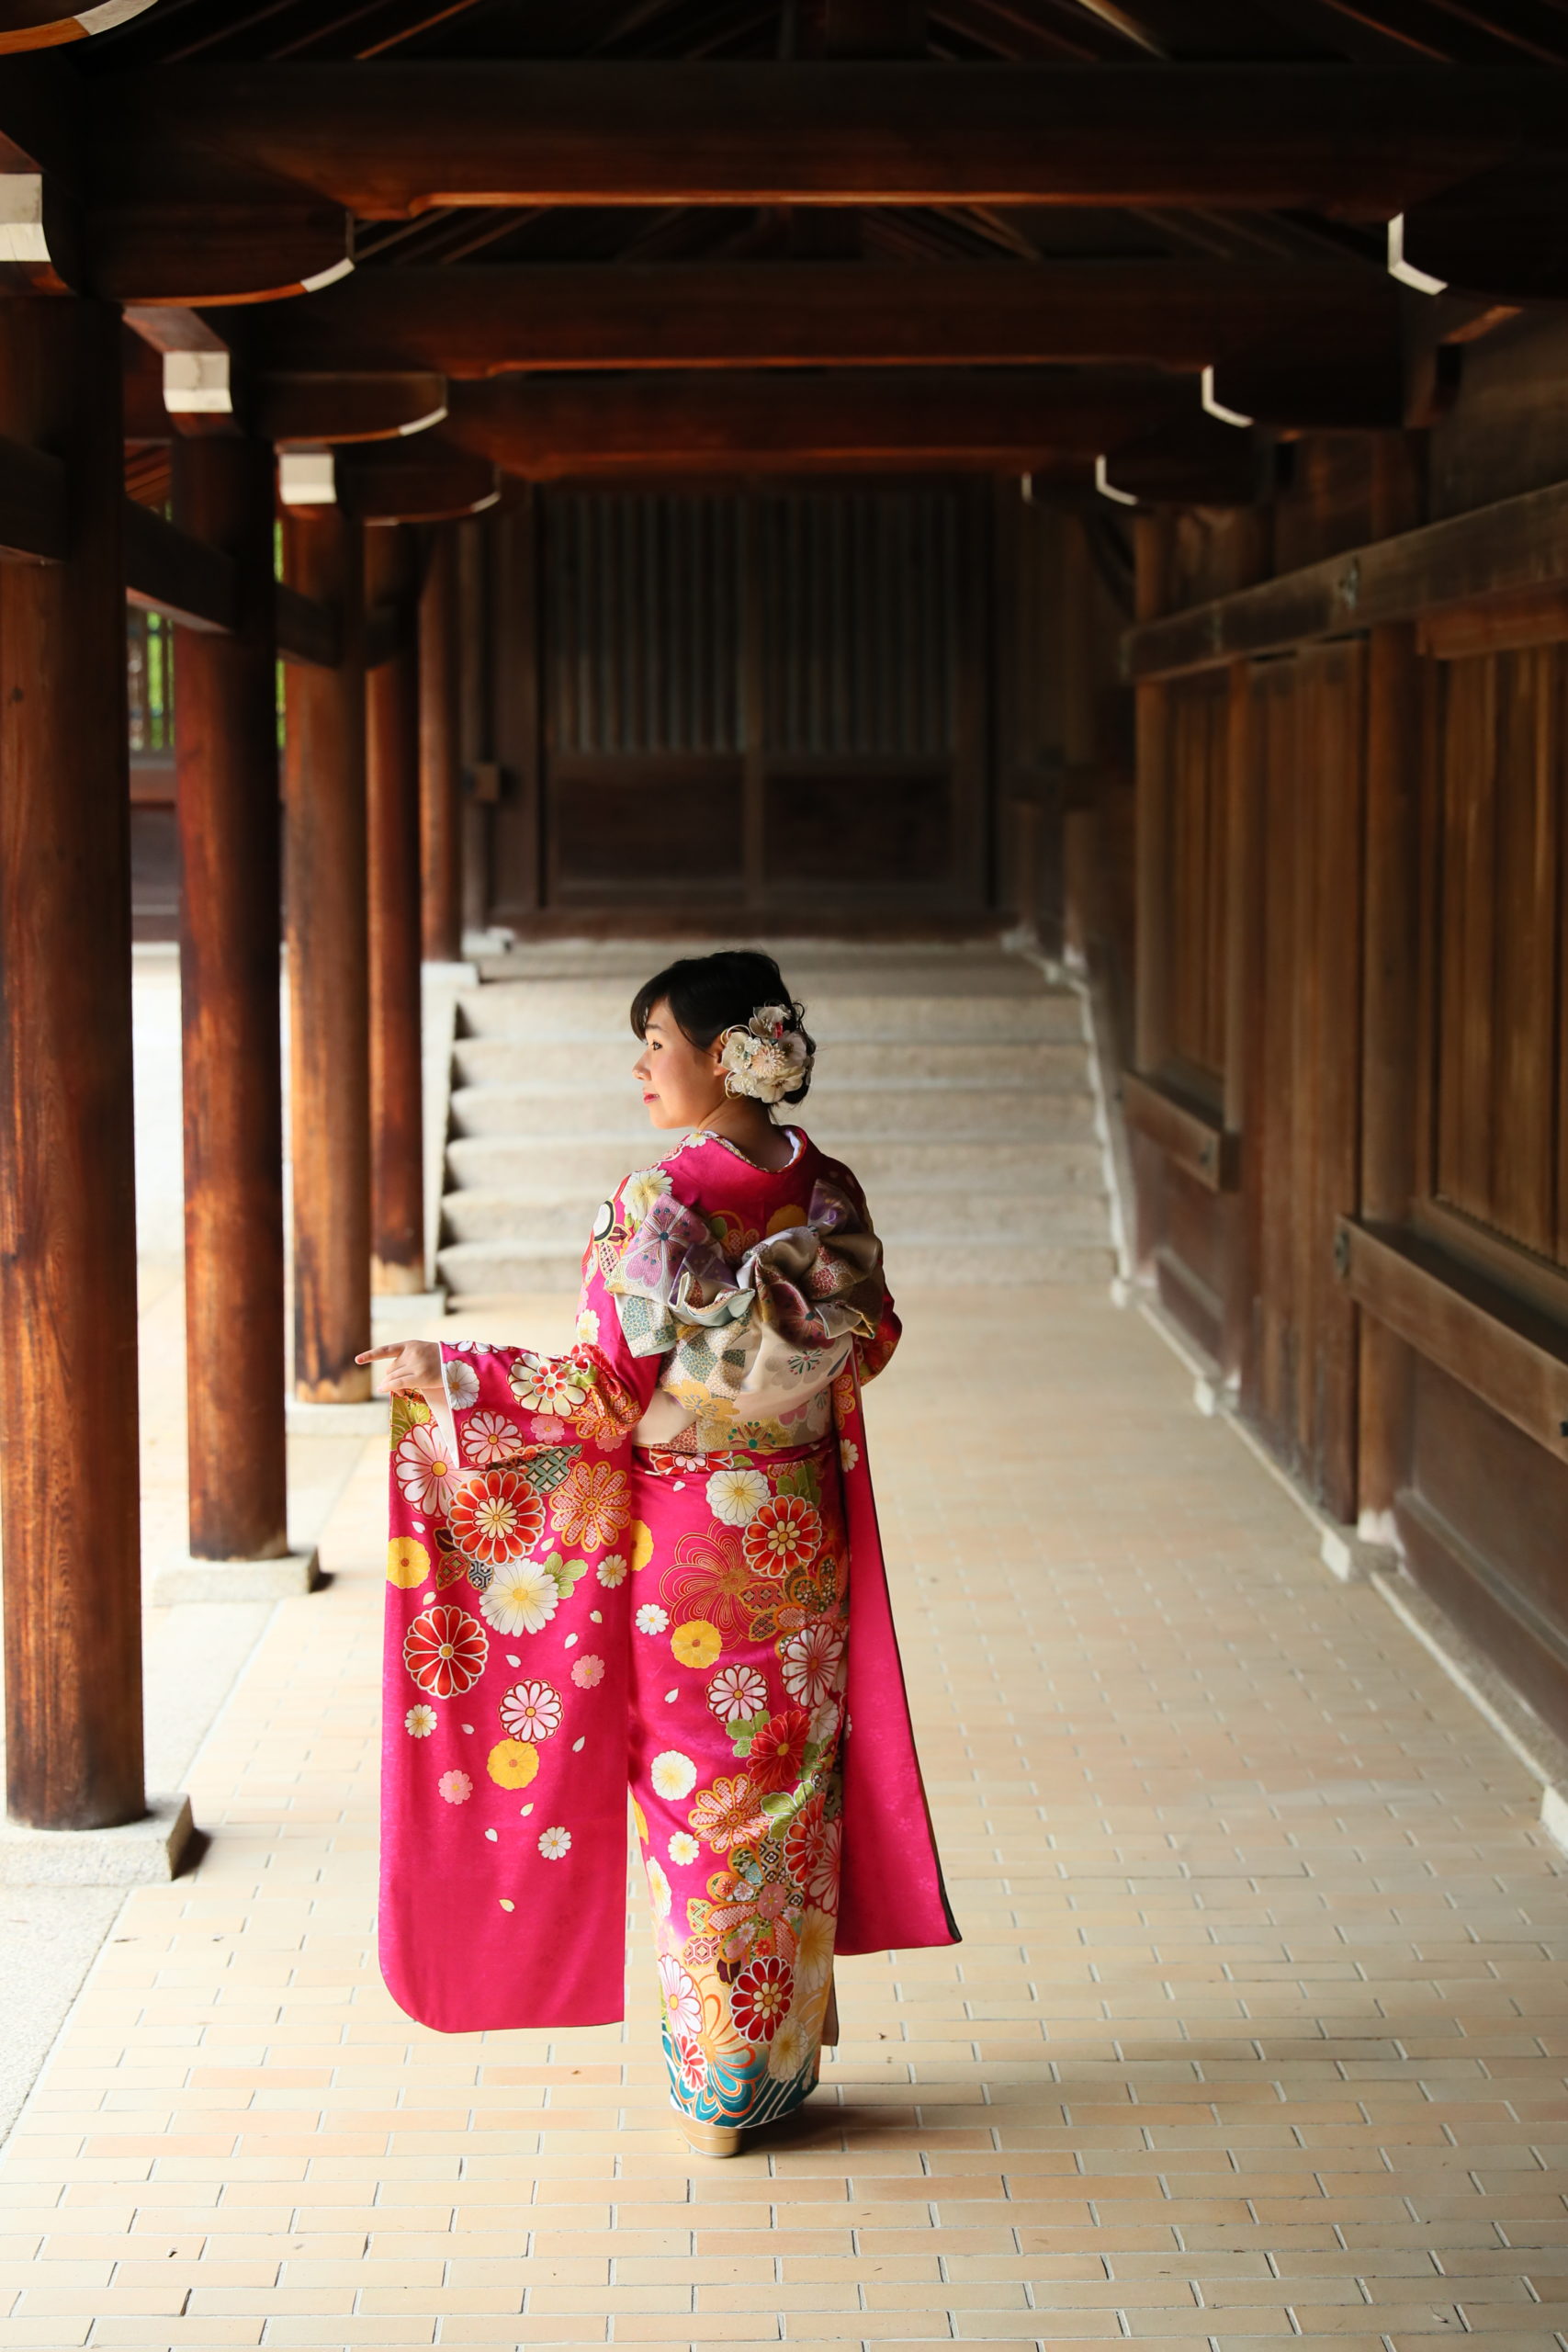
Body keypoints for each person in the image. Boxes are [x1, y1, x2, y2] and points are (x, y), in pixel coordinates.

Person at [359, 949, 956, 2158]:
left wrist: (455, 1372)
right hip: (800, 1529)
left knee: (700, 1802)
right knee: (789, 1793)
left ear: (728, 1054)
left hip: (691, 1544)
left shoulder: (658, 1203)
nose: (642, 1068)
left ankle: (724, 2086)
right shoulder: (828, 1186)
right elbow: (871, 1343)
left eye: (657, 1044)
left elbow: (598, 1390)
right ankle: (778, 2054)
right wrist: (772, 1374)